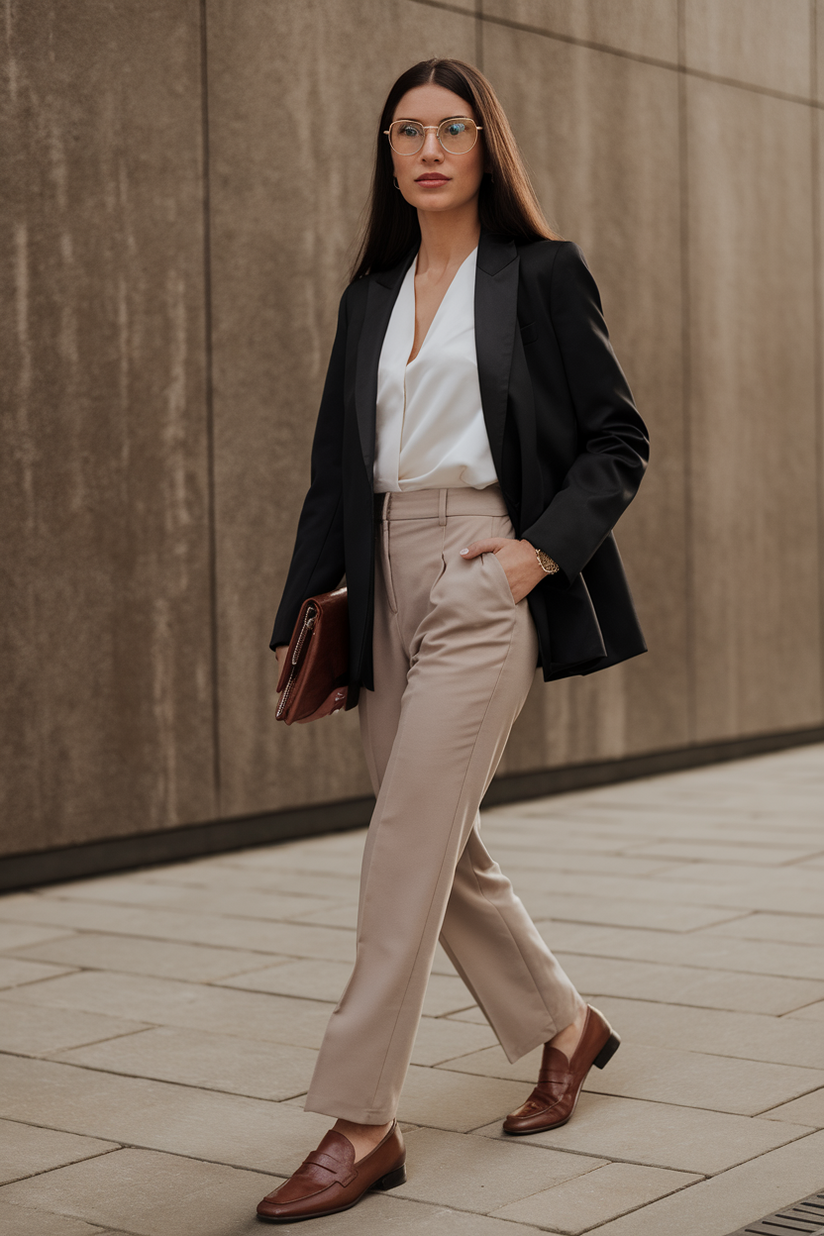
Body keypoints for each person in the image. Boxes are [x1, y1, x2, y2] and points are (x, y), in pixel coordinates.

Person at [257, 57, 649, 1224]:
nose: (428, 149)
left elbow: (617, 440)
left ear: (485, 146)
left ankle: (361, 1123)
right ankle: (566, 1027)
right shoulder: (368, 294)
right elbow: (336, 471)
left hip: (487, 570)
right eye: (406, 132)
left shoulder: (540, 273)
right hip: (381, 573)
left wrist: (535, 553)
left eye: (451, 129)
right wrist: (308, 624)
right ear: (387, 154)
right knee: (438, 841)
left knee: (401, 850)